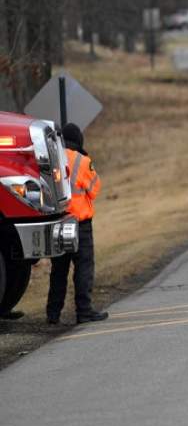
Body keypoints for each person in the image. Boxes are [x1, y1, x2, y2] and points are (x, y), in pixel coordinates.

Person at [46, 123, 108, 325]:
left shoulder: (52, 159)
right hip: (80, 224)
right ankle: (84, 311)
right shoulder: (83, 161)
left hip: (57, 223)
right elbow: (94, 189)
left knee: (58, 270)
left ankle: (53, 314)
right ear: (79, 140)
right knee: (83, 268)